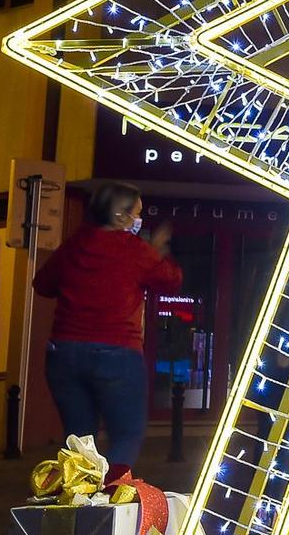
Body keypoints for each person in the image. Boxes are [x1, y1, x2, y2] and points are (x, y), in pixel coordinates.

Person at [34, 181, 181, 469]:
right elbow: (171, 279)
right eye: (136, 213)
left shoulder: (75, 244)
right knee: (126, 434)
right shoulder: (135, 249)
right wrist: (157, 249)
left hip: (63, 352)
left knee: (78, 439)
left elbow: (43, 284)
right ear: (119, 216)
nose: (139, 220)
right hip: (117, 351)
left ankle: (78, 496)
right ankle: (109, 494)